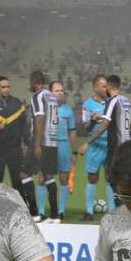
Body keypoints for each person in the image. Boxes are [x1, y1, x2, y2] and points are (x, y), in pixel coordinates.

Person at [79, 75, 131, 205]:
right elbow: (117, 118)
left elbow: (104, 126)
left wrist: (87, 142)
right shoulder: (125, 101)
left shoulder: (112, 101)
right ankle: (125, 212)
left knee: (114, 183)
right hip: (127, 147)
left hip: (115, 148)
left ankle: (119, 214)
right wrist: (102, 116)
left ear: (108, 87)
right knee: (122, 182)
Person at [25, 72, 60, 223]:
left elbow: (39, 119)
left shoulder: (38, 96)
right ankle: (54, 215)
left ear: (33, 82)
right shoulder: (51, 97)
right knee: (48, 176)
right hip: (53, 140)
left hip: (42, 140)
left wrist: (37, 145)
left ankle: (34, 213)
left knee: (24, 174)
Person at [78, 74, 114, 221]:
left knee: (110, 178)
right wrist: (93, 121)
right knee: (92, 177)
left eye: (108, 86)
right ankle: (89, 212)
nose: (107, 89)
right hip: (95, 145)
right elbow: (86, 128)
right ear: (95, 87)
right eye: (104, 86)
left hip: (111, 145)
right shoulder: (87, 105)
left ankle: (112, 213)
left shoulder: (112, 103)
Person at [0, 76, 28, 202]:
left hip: (15, 149)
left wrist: (26, 143)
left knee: (17, 179)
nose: (6, 89)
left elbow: (24, 125)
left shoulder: (17, 104)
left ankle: (21, 206)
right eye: (3, 87)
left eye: (8, 87)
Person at [50, 81, 77, 220]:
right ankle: (42, 211)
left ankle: (61, 211)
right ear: (50, 93)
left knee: (64, 179)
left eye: (61, 90)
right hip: (48, 146)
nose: (60, 93)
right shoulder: (45, 109)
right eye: (57, 91)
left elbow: (72, 131)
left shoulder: (67, 110)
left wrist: (75, 151)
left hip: (63, 145)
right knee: (44, 178)